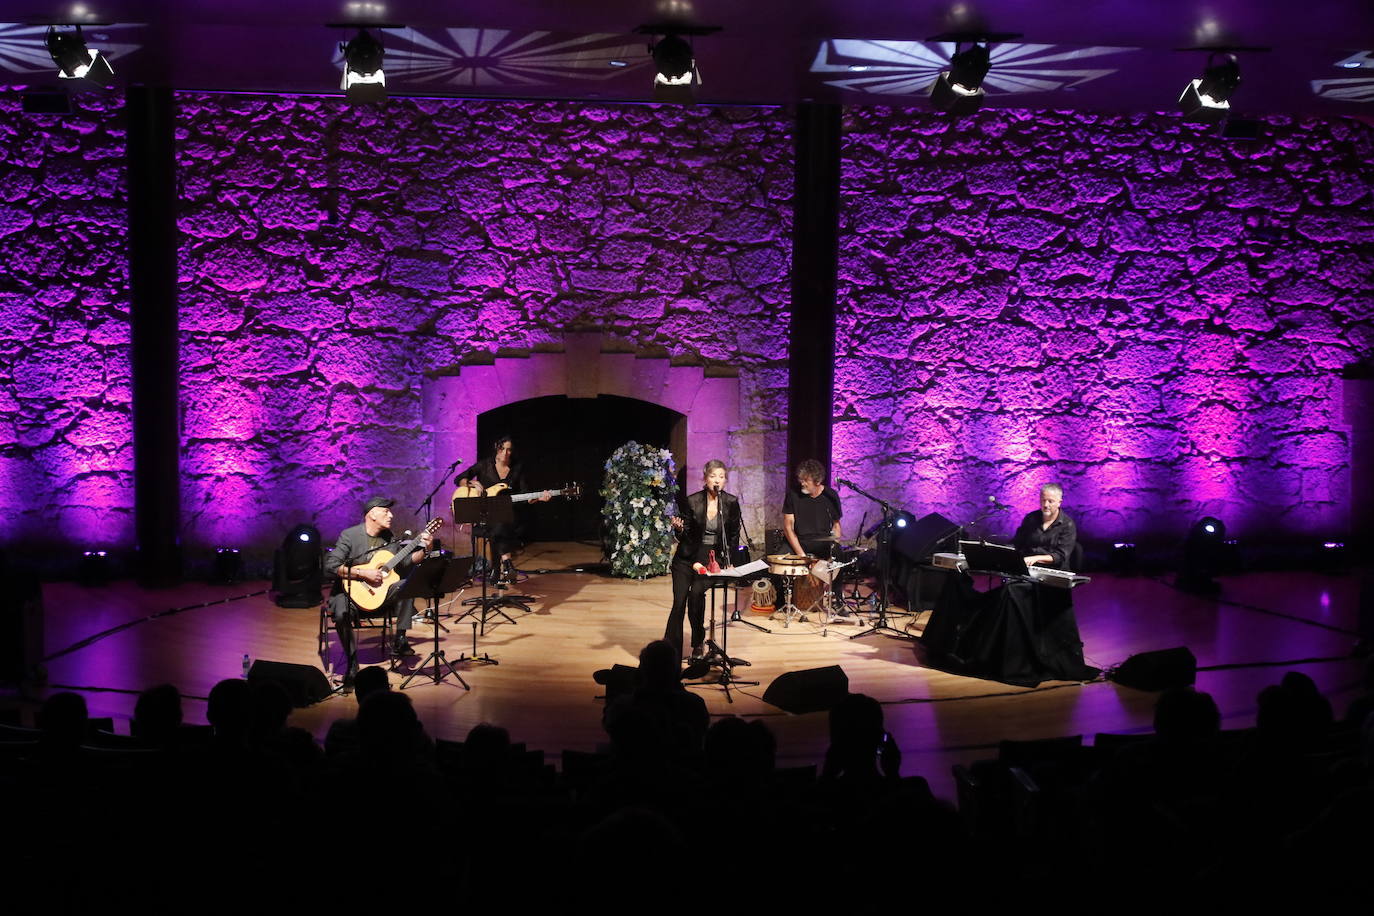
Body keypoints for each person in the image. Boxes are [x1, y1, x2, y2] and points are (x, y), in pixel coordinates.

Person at [324, 496, 433, 685]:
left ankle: (400, 639)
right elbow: (331, 565)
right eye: (386, 511)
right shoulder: (350, 535)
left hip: (380, 595)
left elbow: (405, 563)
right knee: (341, 613)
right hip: (349, 592)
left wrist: (426, 549)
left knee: (406, 584)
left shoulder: (389, 537)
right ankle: (352, 662)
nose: (391, 515)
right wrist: (362, 573)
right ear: (372, 514)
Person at [666, 460, 742, 660]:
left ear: (725, 480)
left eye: (721, 477)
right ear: (705, 478)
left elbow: (734, 535)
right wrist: (679, 528)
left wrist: (729, 559)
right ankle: (670, 652)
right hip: (687, 556)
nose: (717, 480)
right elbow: (685, 534)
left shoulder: (731, 502)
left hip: (711, 558)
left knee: (696, 594)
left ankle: (697, 642)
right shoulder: (693, 501)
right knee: (679, 602)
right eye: (713, 476)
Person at [455, 435, 550, 585]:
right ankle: (506, 564)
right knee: (497, 524)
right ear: (496, 447)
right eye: (502, 449)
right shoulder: (484, 465)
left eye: (509, 450)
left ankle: (498, 569)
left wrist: (538, 498)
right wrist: (472, 483)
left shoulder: (517, 468)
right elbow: (459, 478)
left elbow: (525, 494)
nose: (505, 453)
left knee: (500, 521)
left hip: (510, 515)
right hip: (485, 516)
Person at [783, 458, 842, 559]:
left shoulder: (831, 495)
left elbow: (836, 527)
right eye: (801, 479)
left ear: (818, 481)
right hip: (798, 543)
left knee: (841, 561)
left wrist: (833, 552)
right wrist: (802, 556)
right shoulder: (793, 494)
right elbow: (788, 528)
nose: (802, 483)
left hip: (822, 544)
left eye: (806, 480)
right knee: (779, 561)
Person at [1013, 482, 1077, 569]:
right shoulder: (1031, 518)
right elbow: (1018, 544)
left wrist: (1035, 558)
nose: (1046, 505)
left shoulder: (1067, 524)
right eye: (1043, 500)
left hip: (1055, 570)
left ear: (1059, 502)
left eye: (1050, 501)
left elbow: (1060, 556)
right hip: (1029, 566)